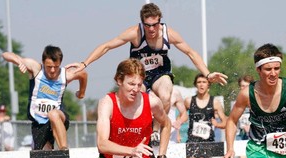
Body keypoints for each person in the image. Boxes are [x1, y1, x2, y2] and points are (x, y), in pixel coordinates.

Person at [66, 2, 227, 143]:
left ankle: (156, 130)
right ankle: (132, 129)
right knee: (136, 95)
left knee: (165, 92)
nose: (151, 29)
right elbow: (107, 46)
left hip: (160, 73)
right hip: (139, 75)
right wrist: (84, 63)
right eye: (147, 25)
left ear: (160, 21)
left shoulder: (168, 34)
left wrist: (207, 74)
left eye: (155, 25)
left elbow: (191, 52)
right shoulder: (135, 33)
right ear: (142, 23)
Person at [2, 45, 87, 158]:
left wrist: (81, 92)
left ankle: (64, 152)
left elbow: (83, 74)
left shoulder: (65, 75)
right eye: (49, 67)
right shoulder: (36, 69)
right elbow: (6, 54)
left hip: (58, 121)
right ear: (43, 63)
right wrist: (20, 62)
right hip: (39, 126)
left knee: (53, 113)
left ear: (60, 64)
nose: (53, 71)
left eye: (56, 67)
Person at [95, 58, 171, 158]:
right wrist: (131, 150)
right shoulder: (107, 103)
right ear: (119, 80)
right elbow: (102, 144)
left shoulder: (152, 102)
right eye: (131, 84)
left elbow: (166, 124)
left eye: (139, 84)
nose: (135, 89)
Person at [222, 43, 286, 158]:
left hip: (284, 155)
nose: (273, 73)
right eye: (268, 69)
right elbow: (231, 121)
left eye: (276, 68)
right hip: (259, 151)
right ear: (258, 70)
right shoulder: (247, 94)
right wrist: (230, 148)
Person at [236, 75, 254, 158]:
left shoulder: (257, 100)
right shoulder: (238, 102)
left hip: (257, 138)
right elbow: (231, 120)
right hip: (241, 138)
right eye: (241, 86)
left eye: (246, 86)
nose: (243, 89)